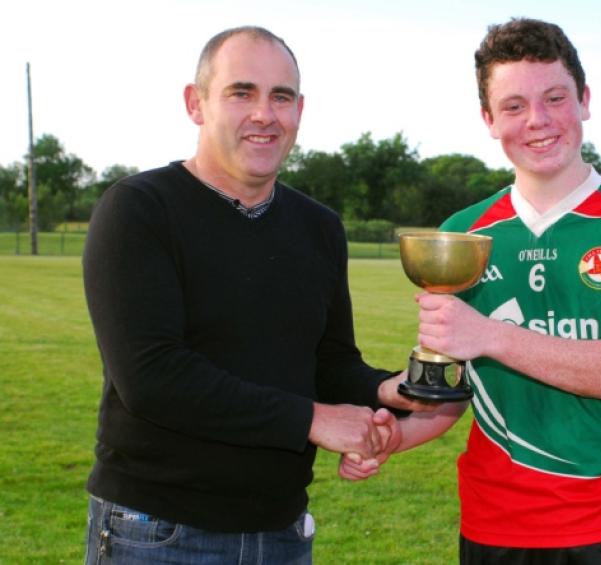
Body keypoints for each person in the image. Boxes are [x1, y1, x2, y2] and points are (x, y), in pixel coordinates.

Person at [342, 18, 601, 564]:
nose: (537, 121)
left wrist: (488, 335)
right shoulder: (464, 233)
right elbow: (455, 394)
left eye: (555, 97)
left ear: (584, 101)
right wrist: (392, 440)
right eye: (513, 106)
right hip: (499, 525)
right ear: (488, 119)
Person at [82, 26, 425, 563]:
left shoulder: (319, 228)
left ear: (299, 110)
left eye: (281, 96)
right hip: (158, 532)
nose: (265, 113)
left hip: (282, 532)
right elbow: (152, 378)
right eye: (242, 92)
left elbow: (329, 364)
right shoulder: (139, 209)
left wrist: (389, 392)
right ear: (196, 104)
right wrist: (314, 420)